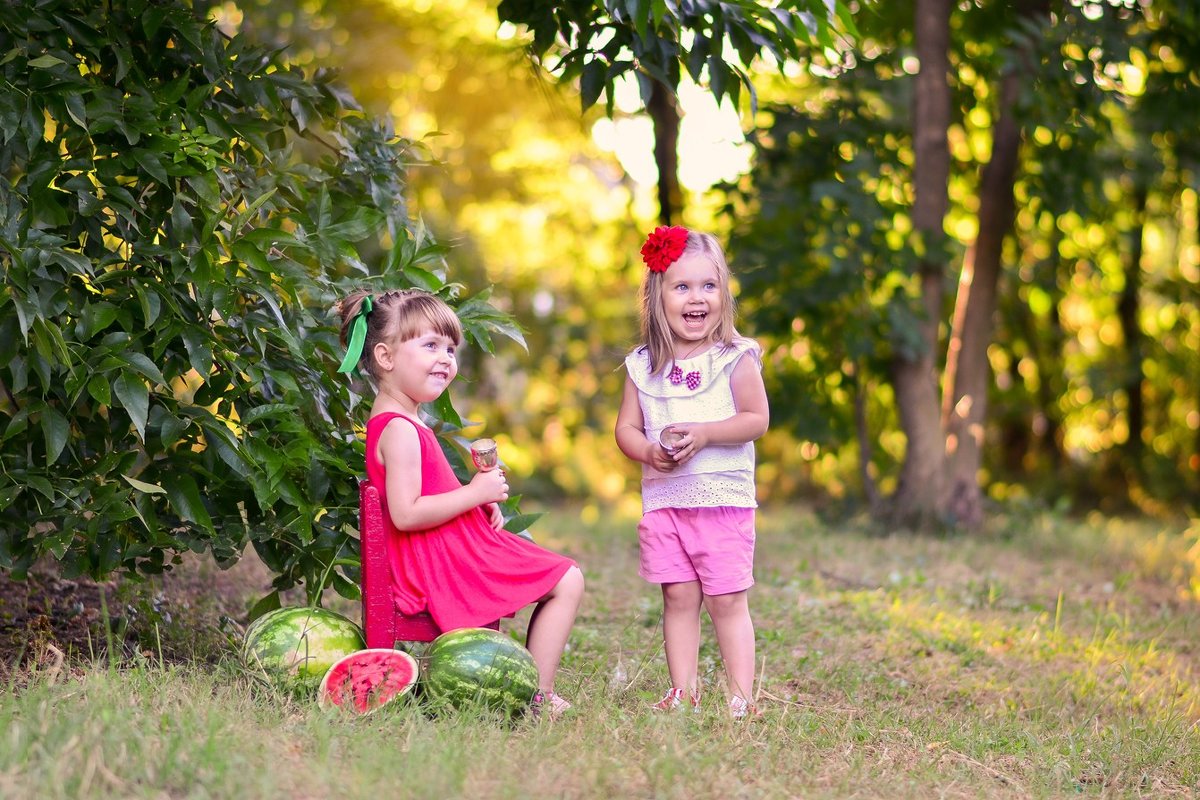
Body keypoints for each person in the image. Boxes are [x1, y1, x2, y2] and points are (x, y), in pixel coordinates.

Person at [336, 288, 584, 718]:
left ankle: (530, 688)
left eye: (450, 348)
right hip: (436, 566)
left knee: (562, 577)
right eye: (430, 345)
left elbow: (426, 495)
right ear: (386, 357)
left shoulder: (400, 419)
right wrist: (473, 493)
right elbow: (406, 513)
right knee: (567, 579)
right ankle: (537, 695)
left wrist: (476, 503)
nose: (446, 358)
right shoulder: (399, 429)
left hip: (443, 550)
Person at [614, 226, 770, 719]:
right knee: (678, 597)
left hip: (721, 501)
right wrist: (647, 451)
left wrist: (704, 434)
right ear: (657, 297)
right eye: (682, 287)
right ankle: (683, 691)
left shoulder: (733, 359)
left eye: (708, 286)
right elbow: (626, 428)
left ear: (723, 293)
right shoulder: (643, 366)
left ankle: (742, 698)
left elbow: (755, 420)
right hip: (666, 503)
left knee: (726, 601)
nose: (696, 298)